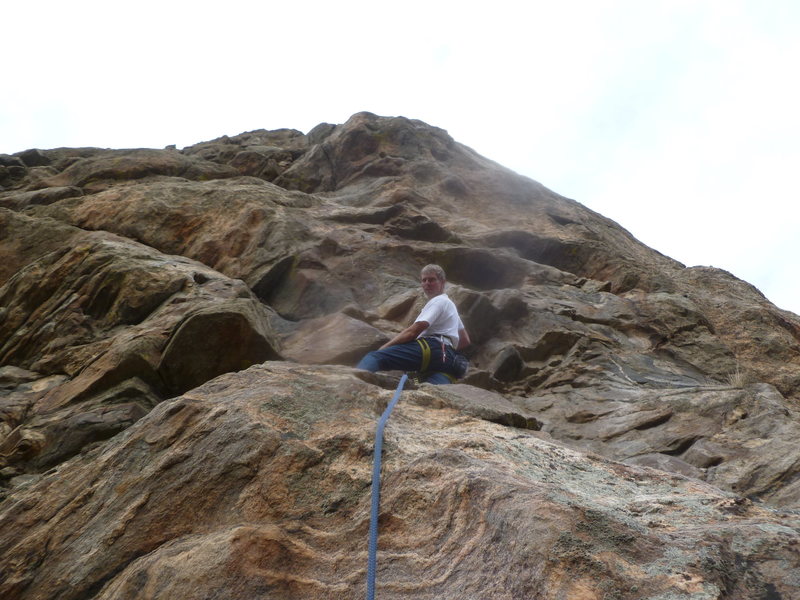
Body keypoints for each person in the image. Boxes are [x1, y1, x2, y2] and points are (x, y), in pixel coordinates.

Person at [356, 264, 471, 384]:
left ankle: (353, 384)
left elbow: (413, 332)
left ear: (442, 282)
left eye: (431, 280)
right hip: (448, 361)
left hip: (432, 348)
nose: (427, 283)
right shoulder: (450, 306)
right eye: (424, 280)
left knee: (375, 357)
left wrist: (383, 348)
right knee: (429, 395)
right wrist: (444, 351)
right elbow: (465, 340)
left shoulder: (439, 301)